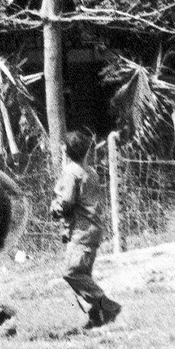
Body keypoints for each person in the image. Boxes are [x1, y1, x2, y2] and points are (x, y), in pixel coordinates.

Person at [52, 127, 123, 329]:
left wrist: (54, 208)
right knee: (84, 275)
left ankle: (107, 305)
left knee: (72, 273)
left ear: (67, 150)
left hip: (81, 230)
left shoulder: (71, 172)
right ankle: (96, 317)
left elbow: (66, 202)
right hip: (93, 229)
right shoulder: (90, 172)